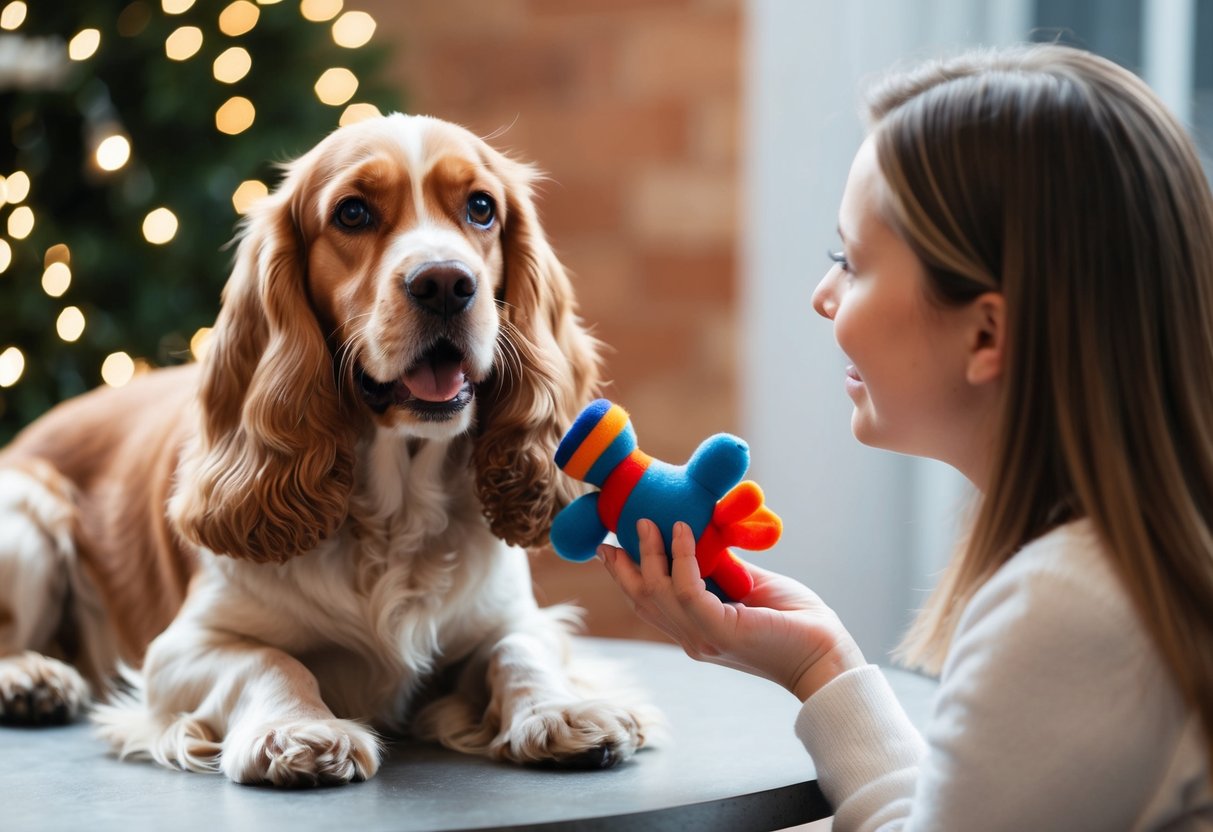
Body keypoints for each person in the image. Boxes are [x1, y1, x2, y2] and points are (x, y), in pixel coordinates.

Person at [596, 44, 1213, 830]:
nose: (823, 297)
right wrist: (820, 663)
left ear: (986, 334)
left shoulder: (1071, 608)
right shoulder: (1129, 571)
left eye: (848, 261)